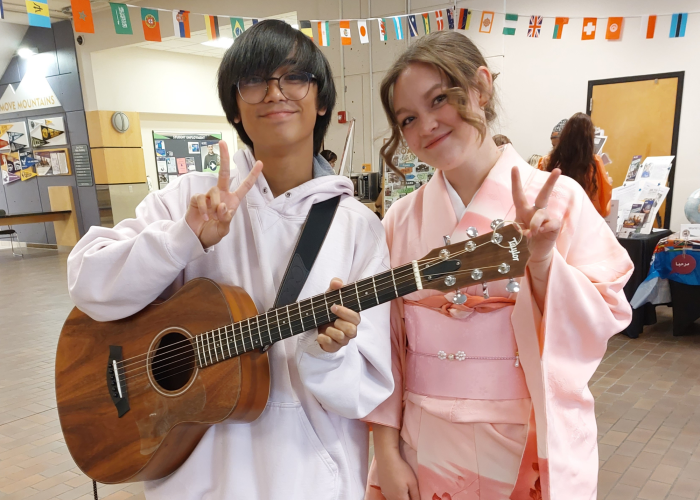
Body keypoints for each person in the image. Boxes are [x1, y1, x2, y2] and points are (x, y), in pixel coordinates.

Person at [67, 20, 393, 500]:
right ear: (236, 107)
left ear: (321, 99)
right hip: (194, 476)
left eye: (295, 78)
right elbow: (88, 284)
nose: (274, 93)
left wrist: (328, 354)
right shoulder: (189, 198)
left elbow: (365, 391)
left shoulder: (358, 228)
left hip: (310, 478)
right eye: (255, 81)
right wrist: (182, 240)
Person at [363, 31, 633, 500]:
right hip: (424, 440)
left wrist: (544, 261)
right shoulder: (400, 220)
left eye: (439, 100)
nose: (426, 125)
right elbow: (384, 344)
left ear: (480, 87)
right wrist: (386, 452)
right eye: (408, 118)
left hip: (522, 434)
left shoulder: (560, 198)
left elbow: (606, 310)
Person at [540, 113, 613, 217]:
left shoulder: (546, 162)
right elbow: (602, 208)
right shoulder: (594, 163)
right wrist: (607, 183)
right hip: (583, 222)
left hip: (552, 219)